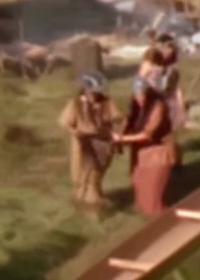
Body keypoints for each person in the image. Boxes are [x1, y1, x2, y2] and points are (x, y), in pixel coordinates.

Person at [119, 74, 178, 215]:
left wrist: (121, 139)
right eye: (137, 94)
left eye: (142, 94)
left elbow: (148, 134)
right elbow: (127, 126)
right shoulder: (136, 108)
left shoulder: (158, 107)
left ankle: (168, 222)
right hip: (141, 155)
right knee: (141, 200)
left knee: (152, 203)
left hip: (158, 154)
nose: (140, 98)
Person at [59, 73, 118, 206]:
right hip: (83, 145)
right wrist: (77, 133)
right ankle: (89, 202)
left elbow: (117, 119)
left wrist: (112, 133)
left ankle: (92, 196)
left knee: (97, 174)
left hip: (103, 145)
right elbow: (66, 124)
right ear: (86, 90)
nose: (95, 94)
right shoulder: (75, 104)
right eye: (92, 91)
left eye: (97, 91)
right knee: (84, 174)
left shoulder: (106, 103)